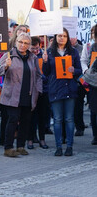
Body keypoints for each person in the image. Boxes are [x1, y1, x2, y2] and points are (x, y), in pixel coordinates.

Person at [0, 33, 42, 157]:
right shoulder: (8, 55)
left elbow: (38, 75)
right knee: (13, 119)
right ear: (16, 42)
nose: (23, 45)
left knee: (26, 121)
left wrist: (38, 89)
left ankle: (21, 146)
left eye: (26, 43)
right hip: (12, 94)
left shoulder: (33, 58)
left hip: (28, 94)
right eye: (21, 42)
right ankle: (8, 147)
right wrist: (6, 66)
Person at [42, 28, 82, 156]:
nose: (62, 38)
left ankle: (69, 146)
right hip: (55, 89)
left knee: (69, 119)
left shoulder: (74, 52)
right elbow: (46, 72)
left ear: (67, 38)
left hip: (70, 89)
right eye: (59, 35)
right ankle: (58, 146)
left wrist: (73, 70)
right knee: (58, 119)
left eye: (64, 36)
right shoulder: (49, 52)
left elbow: (79, 70)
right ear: (56, 37)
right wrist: (45, 62)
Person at [27, 37, 49, 149]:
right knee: (31, 116)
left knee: (42, 116)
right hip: (30, 90)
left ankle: (42, 139)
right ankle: (30, 139)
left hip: (43, 90)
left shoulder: (44, 55)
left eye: (37, 48)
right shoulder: (27, 56)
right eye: (32, 48)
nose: (35, 51)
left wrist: (45, 62)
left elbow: (48, 73)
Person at [81, 25, 97, 144]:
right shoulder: (91, 47)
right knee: (94, 110)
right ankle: (95, 135)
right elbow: (85, 61)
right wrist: (86, 71)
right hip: (93, 82)